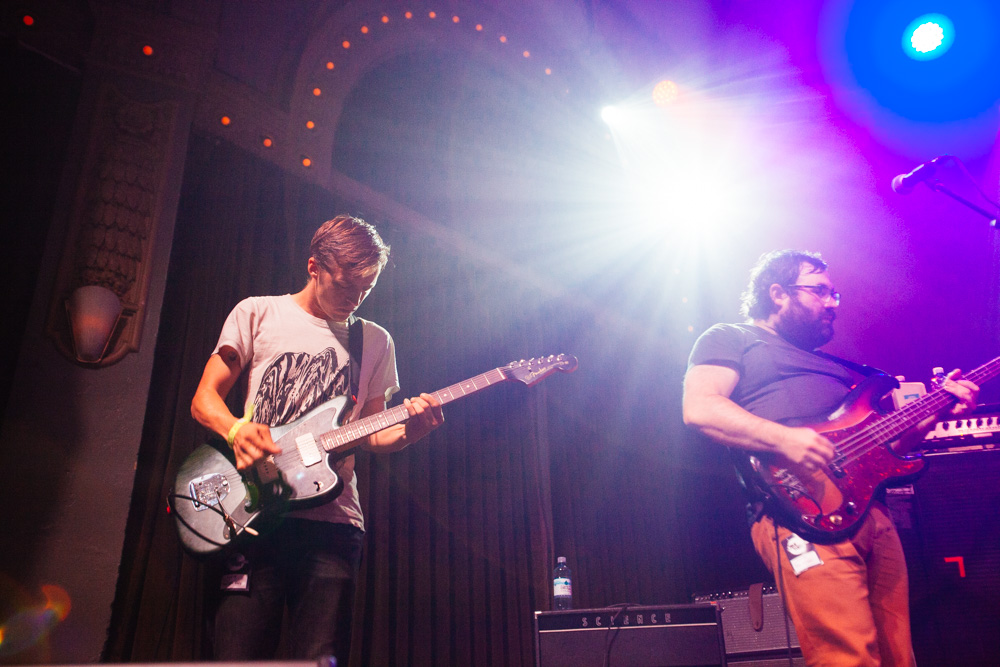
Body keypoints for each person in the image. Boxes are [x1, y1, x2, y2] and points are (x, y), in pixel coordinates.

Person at [682, 249, 978, 667]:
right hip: (801, 510)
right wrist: (783, 439)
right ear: (778, 293)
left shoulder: (843, 370)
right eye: (820, 291)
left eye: (835, 294)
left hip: (872, 515)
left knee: (900, 659)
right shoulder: (730, 337)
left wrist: (935, 412)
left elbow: (891, 451)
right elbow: (700, 408)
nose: (833, 303)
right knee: (847, 657)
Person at [190, 214, 444, 663]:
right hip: (255, 516)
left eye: (366, 289)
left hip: (334, 527)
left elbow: (374, 434)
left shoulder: (376, 341)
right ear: (314, 267)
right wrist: (235, 427)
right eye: (346, 285)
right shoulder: (257, 312)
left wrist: (411, 431)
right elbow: (204, 399)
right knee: (237, 655)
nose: (355, 298)